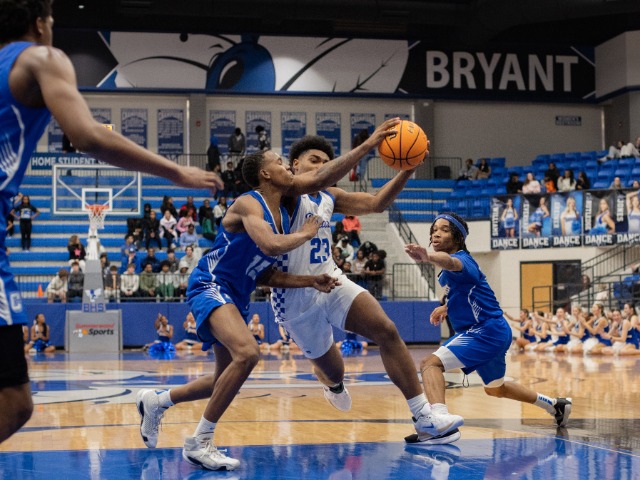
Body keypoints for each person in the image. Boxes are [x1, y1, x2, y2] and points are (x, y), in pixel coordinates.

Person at [135, 118, 401, 470]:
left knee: (222, 378)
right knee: (248, 354)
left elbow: (267, 273)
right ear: (265, 174)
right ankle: (199, 442)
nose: (285, 166)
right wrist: (366, 148)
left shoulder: (283, 214)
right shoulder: (250, 203)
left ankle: (158, 401)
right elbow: (271, 245)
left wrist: (309, 281)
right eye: (278, 162)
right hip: (212, 284)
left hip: (237, 294)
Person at [261, 135, 453, 447]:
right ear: (294, 165)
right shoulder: (285, 193)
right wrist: (368, 145)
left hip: (331, 280)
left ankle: (424, 417)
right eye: (314, 161)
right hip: (295, 299)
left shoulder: (329, 195)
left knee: (386, 330)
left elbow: (377, 203)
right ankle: (331, 383)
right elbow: (314, 181)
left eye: (327, 162)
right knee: (334, 371)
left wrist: (407, 169)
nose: (322, 167)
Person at [404, 213, 572, 446]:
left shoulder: (463, 261)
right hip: (495, 331)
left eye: (443, 229)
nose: (436, 234)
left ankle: (439, 421)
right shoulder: (456, 270)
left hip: (485, 330)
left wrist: (428, 257)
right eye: (434, 230)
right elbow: (469, 295)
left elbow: (452, 263)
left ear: (458, 237)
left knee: (429, 364)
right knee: (495, 389)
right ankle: (555, 405)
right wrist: (447, 307)